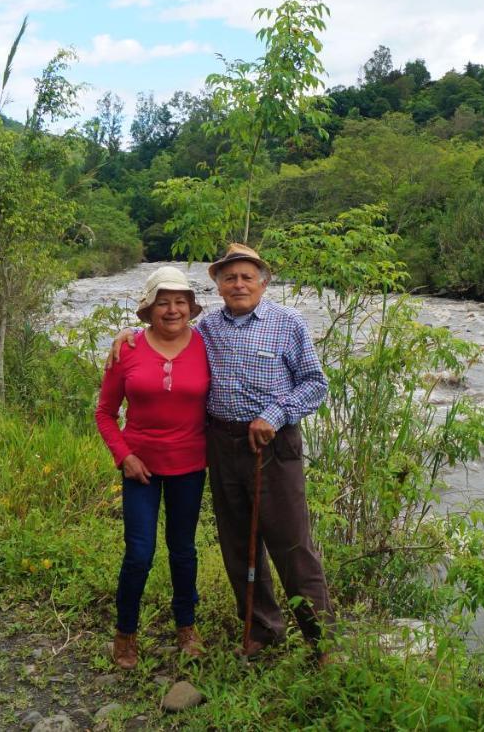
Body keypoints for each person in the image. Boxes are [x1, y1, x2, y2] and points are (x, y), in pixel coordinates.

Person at [111, 244, 335, 661]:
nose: (238, 284)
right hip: (221, 443)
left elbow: (315, 383)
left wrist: (275, 413)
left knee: (291, 543)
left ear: (263, 283)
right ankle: (263, 629)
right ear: (217, 286)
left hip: (274, 442)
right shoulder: (208, 327)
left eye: (247, 277)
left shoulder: (288, 323)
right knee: (237, 543)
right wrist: (127, 334)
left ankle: (321, 639)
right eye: (229, 278)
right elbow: (165, 327)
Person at [95, 266, 210, 670]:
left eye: (181, 302)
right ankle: (125, 633)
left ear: (192, 308)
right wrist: (123, 456)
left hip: (190, 465)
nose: (173, 309)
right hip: (139, 468)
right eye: (164, 302)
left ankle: (186, 628)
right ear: (149, 308)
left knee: (183, 551)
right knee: (139, 554)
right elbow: (106, 413)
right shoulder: (126, 350)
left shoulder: (208, 344)